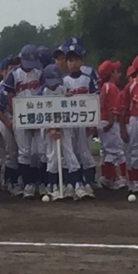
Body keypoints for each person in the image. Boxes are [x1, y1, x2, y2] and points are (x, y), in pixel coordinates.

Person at [2, 44, 44, 199]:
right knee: (24, 152)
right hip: (21, 116)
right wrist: (15, 115)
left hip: (38, 115)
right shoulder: (15, 74)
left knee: (40, 151)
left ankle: (39, 182)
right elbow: (10, 95)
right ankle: (27, 184)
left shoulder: (39, 73)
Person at [42, 64, 87, 200]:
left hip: (64, 124)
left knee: (70, 154)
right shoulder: (42, 92)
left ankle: (77, 185)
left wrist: (69, 97)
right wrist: (50, 129)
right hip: (49, 127)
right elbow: (40, 115)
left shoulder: (62, 88)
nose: (54, 86)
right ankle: (53, 186)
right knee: (53, 157)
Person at [62, 43, 98, 196]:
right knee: (70, 152)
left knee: (84, 151)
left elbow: (95, 100)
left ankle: (88, 182)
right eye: (70, 60)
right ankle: (73, 182)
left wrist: (93, 123)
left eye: (76, 59)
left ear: (81, 61)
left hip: (84, 120)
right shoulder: (63, 81)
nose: (73, 63)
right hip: (69, 120)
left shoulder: (87, 79)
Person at [0, 57, 21, 195]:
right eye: (10, 69)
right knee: (10, 152)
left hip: (14, 119)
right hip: (4, 119)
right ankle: (9, 181)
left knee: (14, 152)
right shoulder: (3, 86)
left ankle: (10, 180)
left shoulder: (19, 82)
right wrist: (7, 124)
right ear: (4, 71)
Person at [121, 53, 138, 194]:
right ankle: (135, 180)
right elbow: (123, 109)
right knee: (135, 150)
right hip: (135, 119)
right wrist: (122, 128)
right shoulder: (131, 87)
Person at [97, 60, 125, 190]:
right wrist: (112, 121)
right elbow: (111, 107)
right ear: (111, 73)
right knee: (115, 151)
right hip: (109, 121)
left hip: (104, 120)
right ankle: (115, 178)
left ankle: (108, 177)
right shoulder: (110, 87)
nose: (118, 73)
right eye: (116, 71)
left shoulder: (104, 86)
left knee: (106, 151)